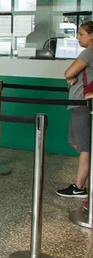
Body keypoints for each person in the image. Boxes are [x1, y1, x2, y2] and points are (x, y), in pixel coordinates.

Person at [57, 21, 93, 198]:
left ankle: (80, 187)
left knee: (84, 147)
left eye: (81, 34)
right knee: (78, 143)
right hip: (82, 104)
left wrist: (72, 77)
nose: (78, 37)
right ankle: (82, 182)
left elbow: (68, 73)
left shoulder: (89, 52)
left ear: (91, 35)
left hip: (83, 104)